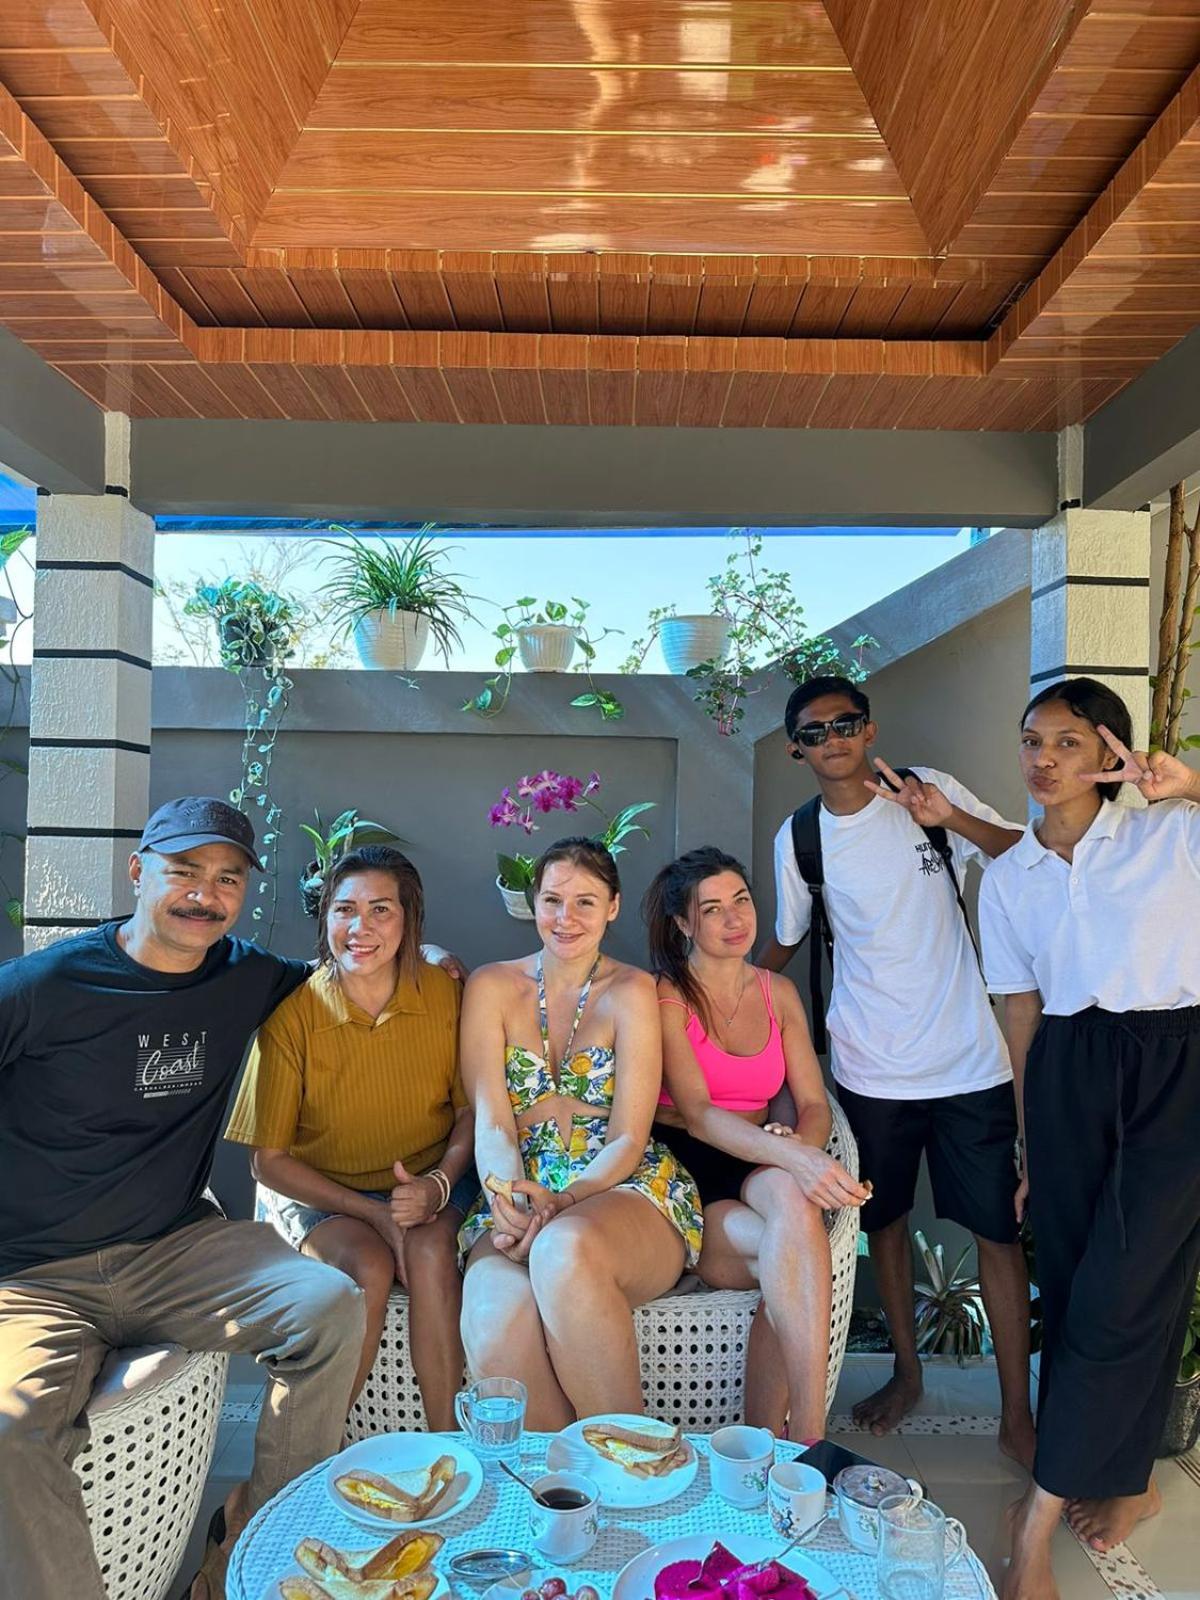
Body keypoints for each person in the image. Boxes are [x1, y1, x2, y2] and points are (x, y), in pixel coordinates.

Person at [0, 797, 365, 1600]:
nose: (205, 894)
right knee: (8, 1431)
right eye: (185, 871)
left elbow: (350, 974)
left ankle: (254, 1550)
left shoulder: (245, 977)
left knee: (328, 1307)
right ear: (138, 872)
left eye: (228, 878)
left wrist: (430, 957)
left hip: (175, 1248)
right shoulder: (45, 986)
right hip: (34, 1278)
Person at [759, 675, 1036, 1465]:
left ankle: (1017, 1414)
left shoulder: (926, 791)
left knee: (998, 1233)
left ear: (870, 730)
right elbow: (785, 940)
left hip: (970, 1063)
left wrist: (951, 818)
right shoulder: (800, 838)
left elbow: (1024, 856)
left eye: (846, 723)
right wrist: (708, 999)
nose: (833, 739)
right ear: (797, 750)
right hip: (870, 1070)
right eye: (815, 731)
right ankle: (907, 1375)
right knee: (882, 1225)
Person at [978, 678, 1200, 1600]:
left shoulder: (1171, 835)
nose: (1043, 760)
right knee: (1075, 1283)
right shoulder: (1008, 877)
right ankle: (1131, 1478)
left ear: (1111, 750)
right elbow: (1021, 1015)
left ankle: (1034, 1520)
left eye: (1067, 742)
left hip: (1175, 1065)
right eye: (1033, 740)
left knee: (1127, 1281)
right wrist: (1031, 1147)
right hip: (1066, 1071)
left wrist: (1190, 784)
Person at [226, 845, 475, 1428]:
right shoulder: (293, 1015)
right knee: (368, 1267)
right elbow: (268, 1162)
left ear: (409, 920)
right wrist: (374, 1214)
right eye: (345, 909)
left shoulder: (446, 993)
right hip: (324, 1195)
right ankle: (312, 1451)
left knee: (431, 1253)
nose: (360, 928)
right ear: (326, 918)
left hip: (432, 1181)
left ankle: (448, 1446)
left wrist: (438, 1185)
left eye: (381, 910)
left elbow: (470, 1112)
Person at [458, 836, 703, 1427]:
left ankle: (626, 1463)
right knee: (493, 1319)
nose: (565, 918)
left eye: (585, 902)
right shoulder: (490, 986)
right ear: (533, 904)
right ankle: (555, 1477)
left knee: (562, 1251)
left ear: (612, 907)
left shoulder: (633, 991)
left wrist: (565, 1202)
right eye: (552, 900)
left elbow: (628, 1138)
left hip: (618, 1186)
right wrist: (510, 1201)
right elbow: (492, 1119)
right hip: (516, 1186)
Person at [644, 846, 869, 1441]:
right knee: (792, 1255)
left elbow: (814, 1103)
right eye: (711, 909)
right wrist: (795, 1157)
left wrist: (800, 1150)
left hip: (762, 1153)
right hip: (691, 1165)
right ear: (683, 924)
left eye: (740, 900)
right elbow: (697, 1116)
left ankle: (802, 1435)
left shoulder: (778, 992)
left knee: (793, 1217)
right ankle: (796, 1445)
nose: (734, 918)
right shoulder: (667, 995)